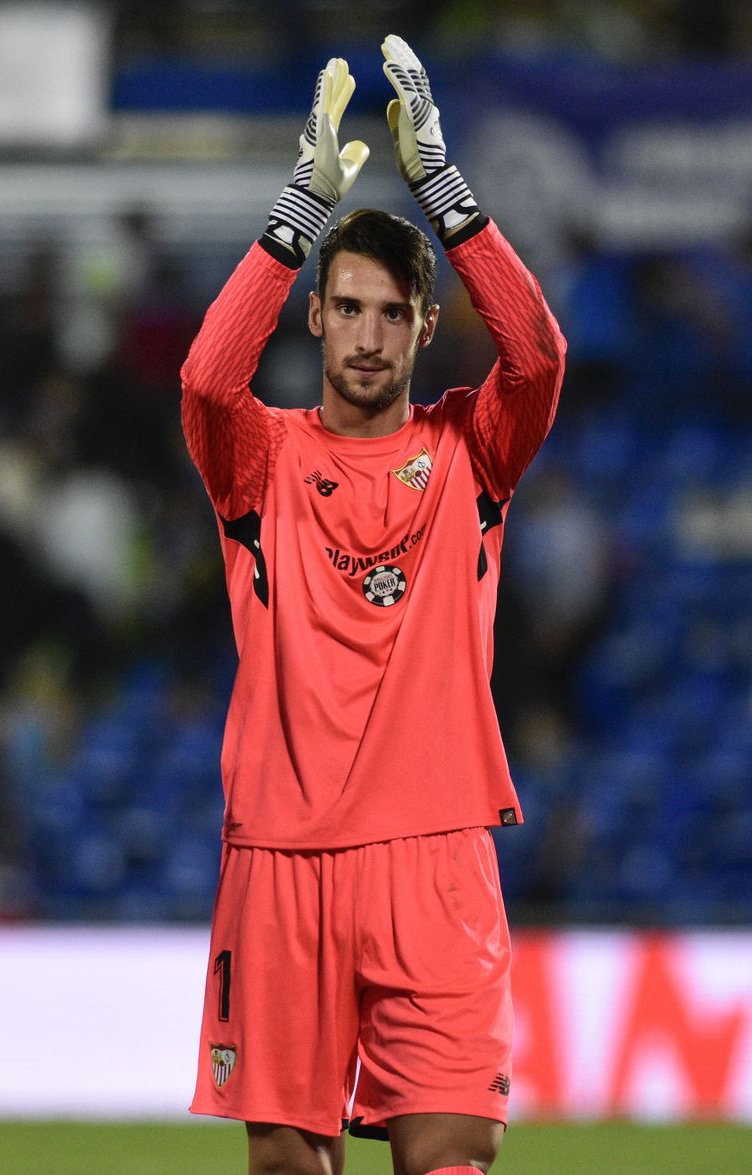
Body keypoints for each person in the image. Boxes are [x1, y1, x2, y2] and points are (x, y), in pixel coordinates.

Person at [181, 37, 565, 1175]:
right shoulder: (256, 459)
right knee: (290, 1166)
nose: (364, 333)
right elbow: (206, 376)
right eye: (344, 307)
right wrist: (301, 205)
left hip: (436, 853)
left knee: (450, 1155)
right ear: (312, 319)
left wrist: (443, 193)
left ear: (423, 327)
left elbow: (537, 357)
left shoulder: (470, 449)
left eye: (391, 313)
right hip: (282, 857)